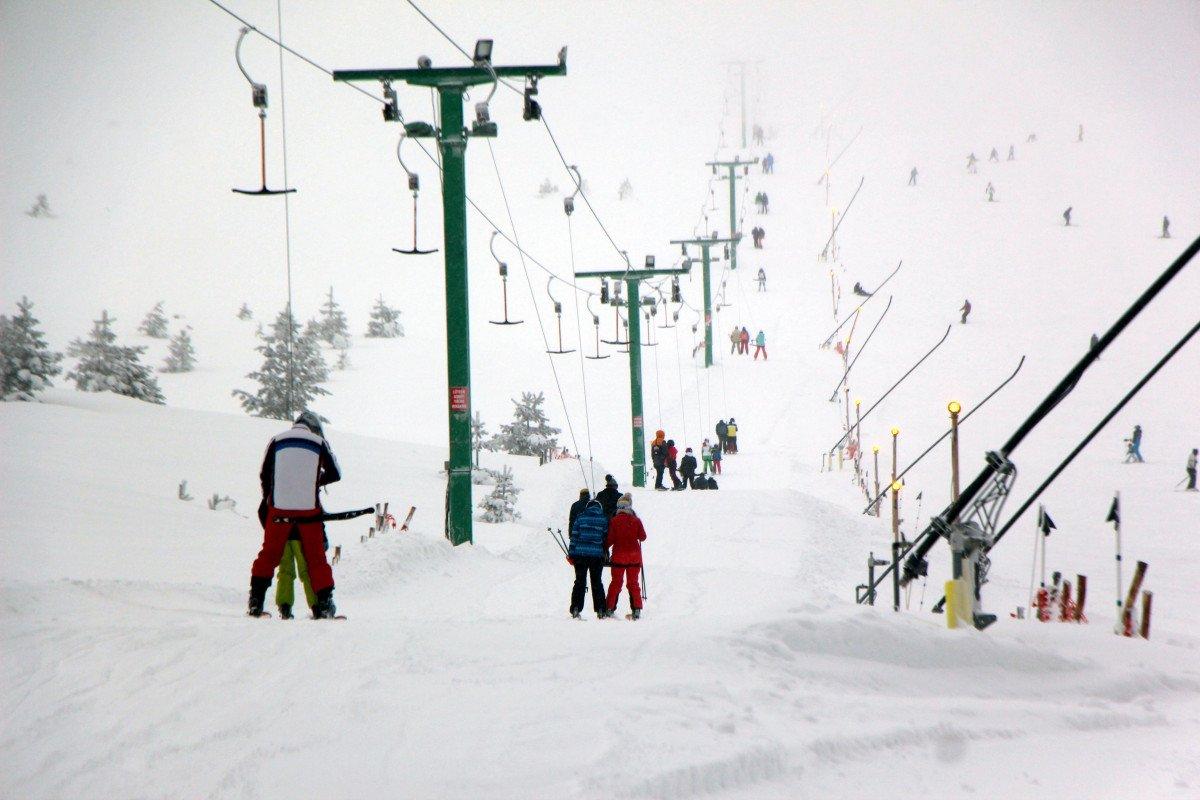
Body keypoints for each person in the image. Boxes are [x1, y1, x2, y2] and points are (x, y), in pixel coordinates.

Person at [248, 410, 341, 619]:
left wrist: (271, 498)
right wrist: (311, 481)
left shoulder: (276, 440)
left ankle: (255, 602)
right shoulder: (319, 442)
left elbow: (264, 474)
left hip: (279, 509)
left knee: (269, 555)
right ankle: (325, 605)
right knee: (316, 558)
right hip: (309, 511)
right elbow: (336, 473)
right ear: (315, 428)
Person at [604, 494, 646, 619]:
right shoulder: (636, 520)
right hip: (634, 557)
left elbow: (609, 540)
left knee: (616, 583)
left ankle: (609, 608)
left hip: (618, 557)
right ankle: (636, 609)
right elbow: (643, 537)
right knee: (633, 583)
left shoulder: (614, 521)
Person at [568, 499, 609, 619]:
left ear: (587, 507)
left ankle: (576, 608)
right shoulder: (603, 519)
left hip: (580, 554)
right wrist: (606, 553)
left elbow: (574, 537)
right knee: (597, 582)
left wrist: (571, 554)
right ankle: (600, 609)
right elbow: (605, 538)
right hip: (596, 555)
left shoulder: (580, 518)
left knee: (579, 581)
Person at [275, 533, 316, 620]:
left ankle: (285, 607)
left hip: (282, 530)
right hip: (299, 531)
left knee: (285, 569)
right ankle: (316, 606)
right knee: (306, 568)